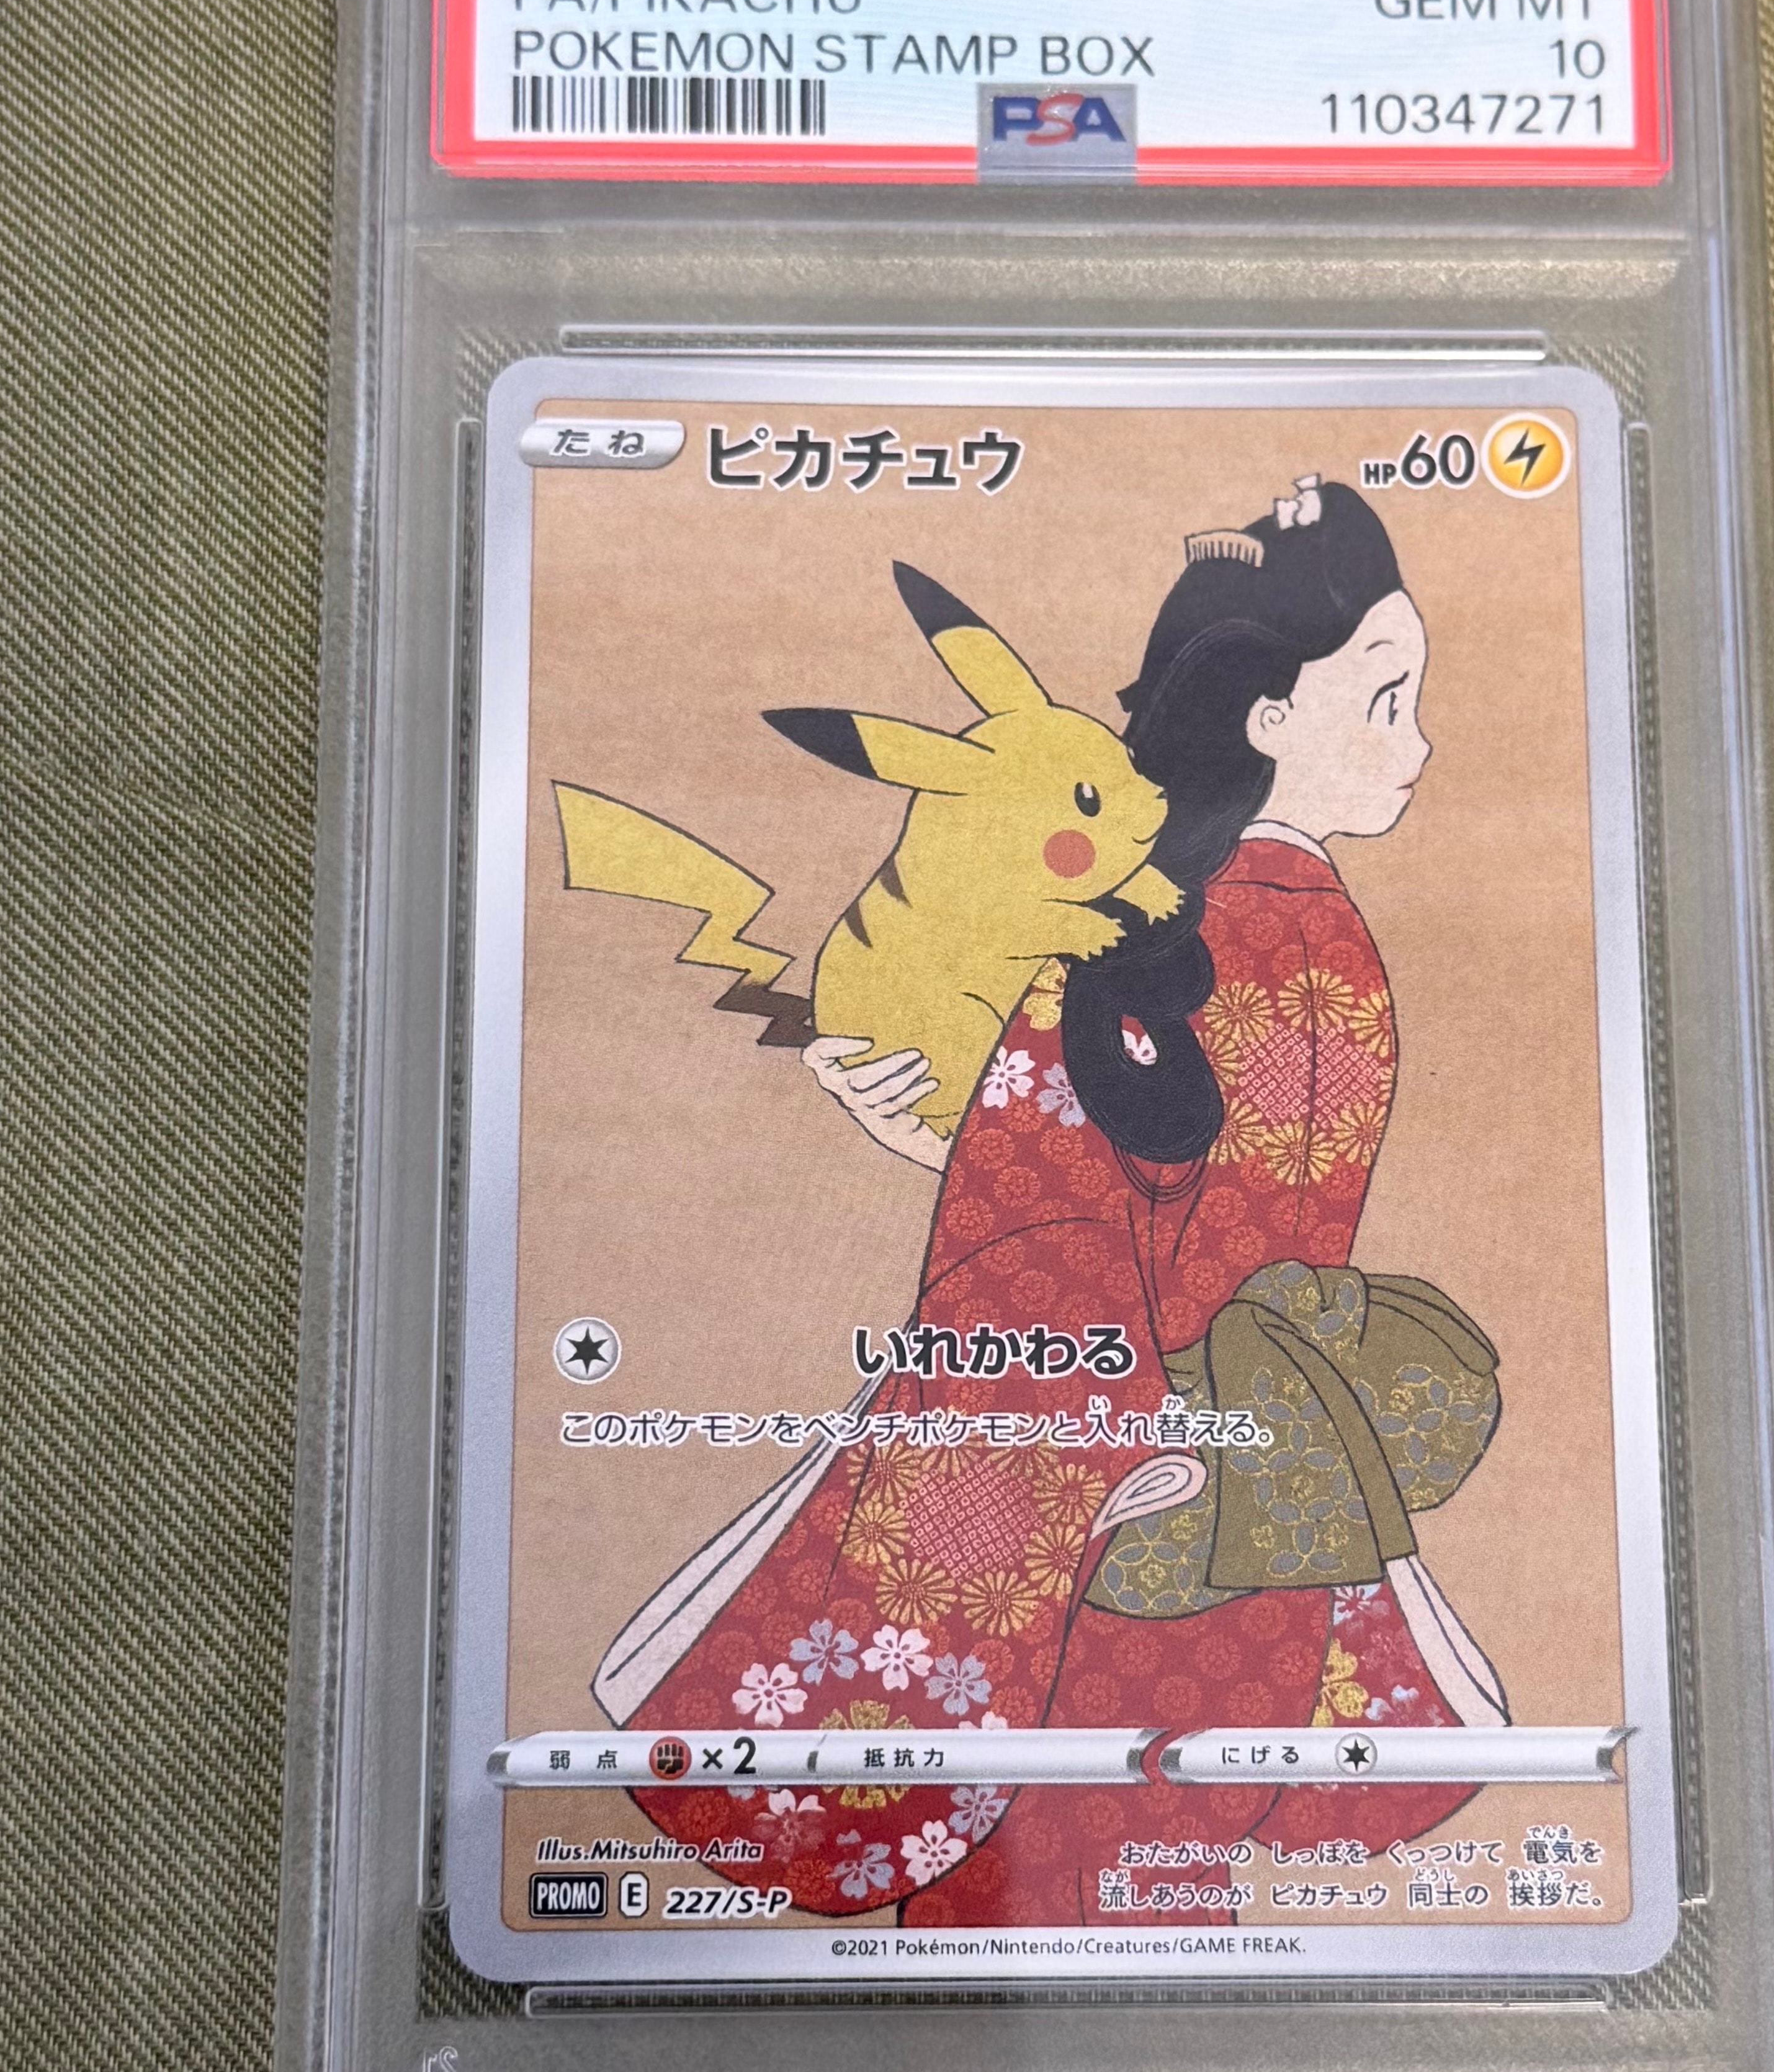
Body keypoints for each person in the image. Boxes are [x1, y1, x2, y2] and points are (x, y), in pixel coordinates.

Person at [617, 473, 1498, 1922]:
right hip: (1260, 1488)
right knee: (1152, 1878)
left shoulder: (1157, 945)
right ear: (1267, 717)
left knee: (1047, 1881)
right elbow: (1188, 1191)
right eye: (1387, 701)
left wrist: (1080, 1412)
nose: (1420, 746)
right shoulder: (1298, 937)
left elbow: (1051, 1235)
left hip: (1124, 1489)